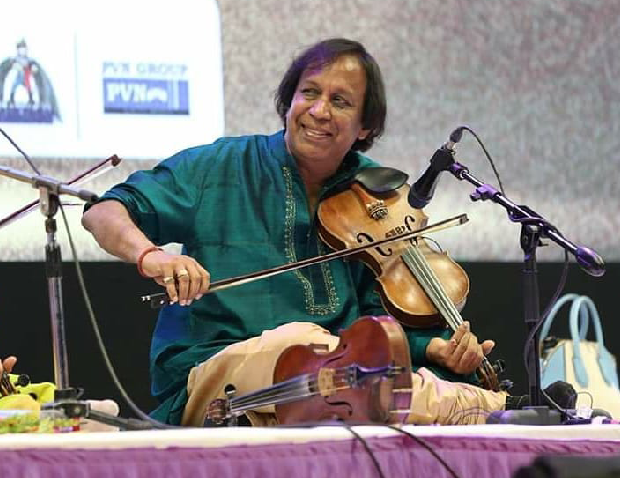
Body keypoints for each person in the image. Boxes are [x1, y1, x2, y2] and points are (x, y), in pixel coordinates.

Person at [82, 38, 508, 426]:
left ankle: (462, 402)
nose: (319, 111)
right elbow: (103, 212)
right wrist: (152, 256)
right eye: (309, 93)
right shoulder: (220, 166)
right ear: (289, 102)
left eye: (340, 101)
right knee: (302, 344)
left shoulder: (375, 196)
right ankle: (460, 407)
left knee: (346, 380)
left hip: (336, 386)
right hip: (216, 370)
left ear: (364, 127)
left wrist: (435, 349)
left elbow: (380, 325)